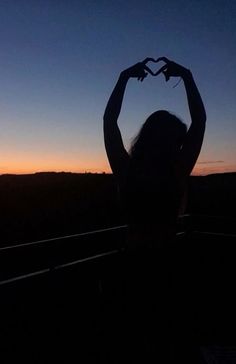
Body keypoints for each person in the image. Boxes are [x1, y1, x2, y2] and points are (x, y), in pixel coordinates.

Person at [103, 57, 206, 362]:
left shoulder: (127, 170)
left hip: (132, 266)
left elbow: (109, 122)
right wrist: (186, 75)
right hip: (169, 266)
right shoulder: (176, 171)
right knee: (168, 342)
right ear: (171, 142)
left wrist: (124, 77)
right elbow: (200, 121)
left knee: (132, 343)